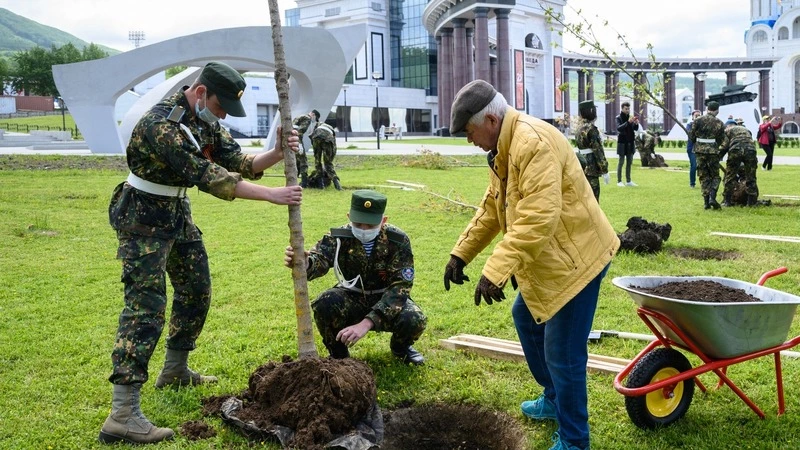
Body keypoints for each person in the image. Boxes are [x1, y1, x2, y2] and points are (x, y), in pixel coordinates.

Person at [99, 61, 303, 445]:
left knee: (197, 290)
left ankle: (175, 369)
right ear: (199, 93)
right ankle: (122, 413)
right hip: (143, 217)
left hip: (176, 214)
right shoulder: (162, 125)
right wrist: (272, 196)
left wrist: (276, 153)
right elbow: (209, 176)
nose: (222, 114)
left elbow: (239, 162)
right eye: (220, 106)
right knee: (145, 307)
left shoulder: (204, 121)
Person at [442, 80, 619, 450]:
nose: (469, 141)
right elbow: (494, 206)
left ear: (490, 120)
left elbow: (539, 218)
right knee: (526, 318)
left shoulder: (532, 143)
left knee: (563, 353)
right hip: (554, 259)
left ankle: (574, 439)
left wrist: (496, 269)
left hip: (577, 261)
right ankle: (554, 398)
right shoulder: (504, 147)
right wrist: (462, 253)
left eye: (470, 133)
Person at [284, 190, 426, 365]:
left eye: (370, 225)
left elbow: (400, 287)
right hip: (352, 295)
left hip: (385, 296)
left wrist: (366, 323)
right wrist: (304, 263)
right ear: (349, 216)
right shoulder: (338, 237)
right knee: (325, 303)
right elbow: (319, 259)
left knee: (413, 318)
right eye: (358, 224)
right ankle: (339, 354)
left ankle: (400, 348)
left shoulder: (397, 240)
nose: (363, 230)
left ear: (384, 221)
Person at [689, 100, 725, 210]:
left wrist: (699, 143)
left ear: (707, 109)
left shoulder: (697, 120)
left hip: (699, 151)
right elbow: (721, 139)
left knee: (703, 176)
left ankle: (706, 202)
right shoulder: (719, 122)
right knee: (715, 176)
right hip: (712, 151)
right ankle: (712, 198)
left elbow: (692, 136)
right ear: (717, 110)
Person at [574, 100, 610, 202]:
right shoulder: (592, 129)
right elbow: (598, 151)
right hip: (591, 167)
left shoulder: (579, 128)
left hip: (581, 165)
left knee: (583, 198)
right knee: (593, 200)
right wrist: (604, 169)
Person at [720, 118, 759, 206]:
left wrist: (717, 157)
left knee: (730, 176)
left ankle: (727, 201)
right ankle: (751, 202)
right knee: (751, 176)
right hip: (750, 150)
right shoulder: (746, 130)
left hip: (736, 150)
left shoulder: (727, 131)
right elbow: (750, 140)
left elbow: (724, 146)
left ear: (728, 126)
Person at [310, 109, 342, 190]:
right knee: (328, 163)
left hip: (316, 137)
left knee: (317, 161)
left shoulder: (317, 125)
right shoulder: (330, 129)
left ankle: (321, 185)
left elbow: (311, 137)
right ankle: (337, 185)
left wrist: (316, 151)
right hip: (328, 139)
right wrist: (330, 158)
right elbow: (334, 147)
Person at [615, 101, 639, 186]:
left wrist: (636, 124)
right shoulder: (618, 118)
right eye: (626, 108)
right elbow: (619, 128)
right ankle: (619, 181)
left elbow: (635, 129)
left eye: (628, 108)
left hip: (630, 142)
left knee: (629, 162)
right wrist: (628, 122)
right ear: (622, 108)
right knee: (621, 162)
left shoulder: (630, 117)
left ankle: (628, 181)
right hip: (622, 143)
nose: (628, 110)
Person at [292, 115, 311, 188]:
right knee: (303, 160)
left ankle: (293, 180)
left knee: (296, 160)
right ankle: (304, 182)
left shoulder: (297, 118)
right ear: (313, 115)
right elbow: (302, 130)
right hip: (297, 139)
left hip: (292, 138)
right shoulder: (308, 118)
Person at [685, 110, 702, 188]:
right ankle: (692, 183)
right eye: (696, 115)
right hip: (692, 148)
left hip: (702, 148)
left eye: (699, 115)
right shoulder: (689, 125)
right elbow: (691, 134)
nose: (697, 117)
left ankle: (703, 183)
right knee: (694, 165)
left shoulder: (703, 125)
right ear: (692, 117)